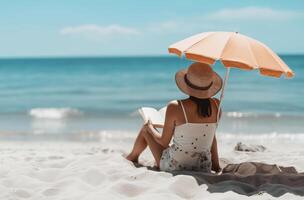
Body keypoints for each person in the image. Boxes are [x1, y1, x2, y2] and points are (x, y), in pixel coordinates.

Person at [126, 62, 222, 173]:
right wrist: (216, 165)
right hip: (203, 165)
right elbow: (211, 138)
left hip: (176, 166)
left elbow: (163, 142)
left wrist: (150, 127)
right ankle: (132, 156)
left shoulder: (175, 106)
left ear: (187, 83)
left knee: (146, 129)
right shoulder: (216, 105)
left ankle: (132, 157)